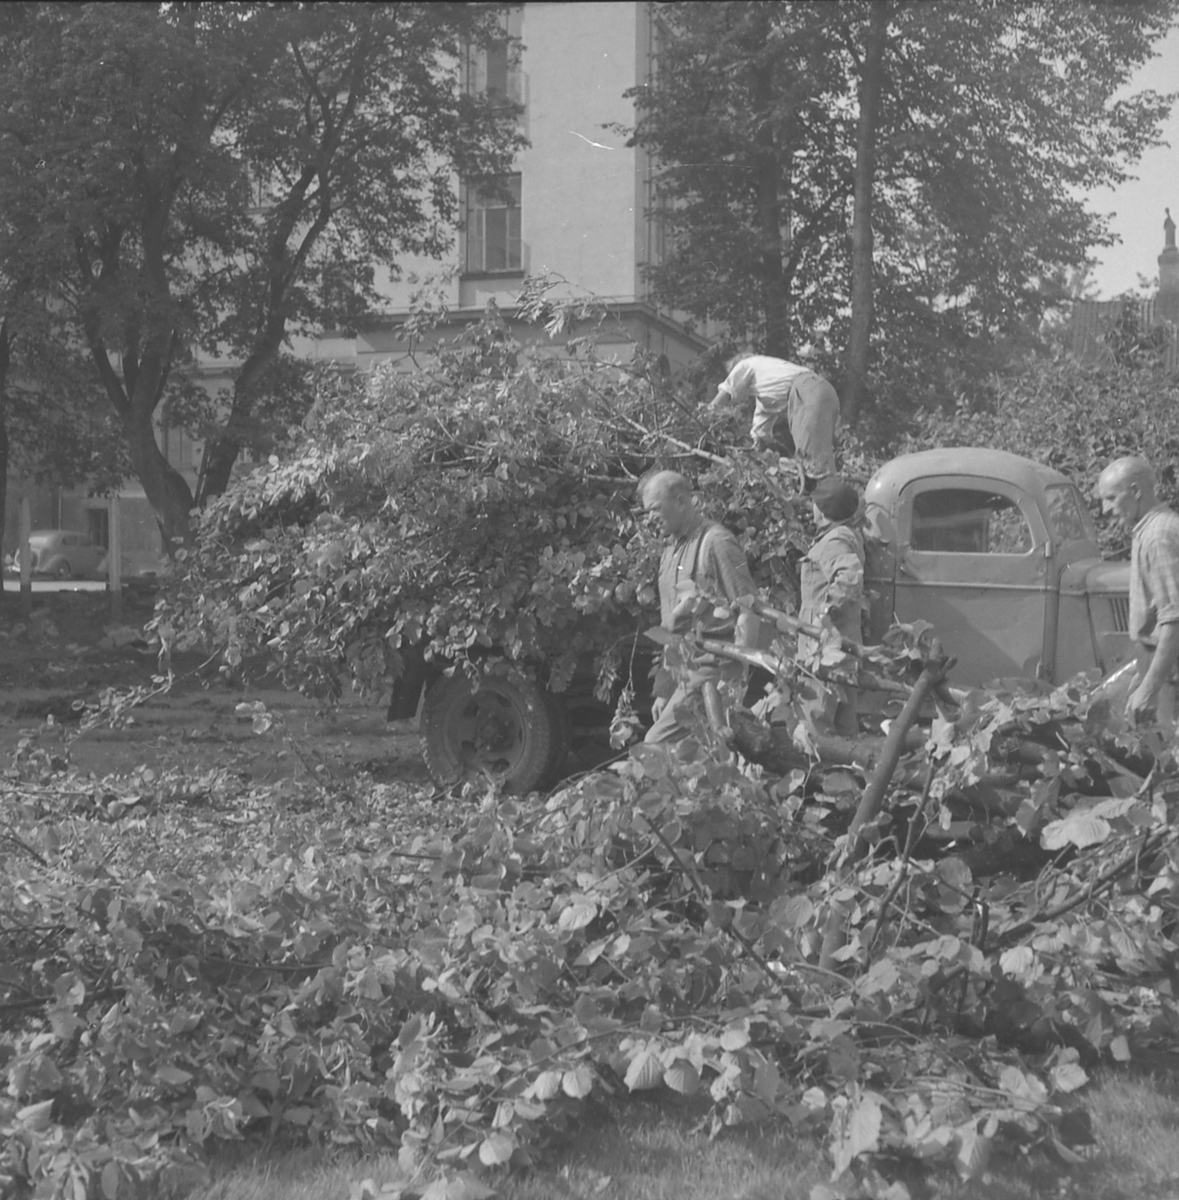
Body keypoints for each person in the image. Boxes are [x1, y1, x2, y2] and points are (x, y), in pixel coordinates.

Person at [638, 470, 758, 744]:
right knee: (700, 757)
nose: (650, 519)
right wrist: (665, 687)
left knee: (657, 745)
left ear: (681, 501)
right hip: (686, 672)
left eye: (655, 509)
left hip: (714, 670)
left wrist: (734, 684)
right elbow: (672, 628)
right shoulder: (670, 551)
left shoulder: (716, 542)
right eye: (646, 512)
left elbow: (748, 610)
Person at [1096, 456, 1179, 728]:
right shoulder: (1153, 529)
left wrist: (1150, 688)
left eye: (1110, 498)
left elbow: (1174, 620)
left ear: (1135, 491)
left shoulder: (1157, 537)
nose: (1105, 510)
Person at [798, 476, 865, 738]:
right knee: (844, 726)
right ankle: (848, 776)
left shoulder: (834, 541)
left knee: (816, 720)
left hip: (824, 649)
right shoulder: (844, 536)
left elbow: (850, 577)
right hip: (840, 645)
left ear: (824, 510)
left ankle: (823, 776)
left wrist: (825, 615)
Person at [709, 353, 840, 481]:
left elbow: (725, 392)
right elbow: (760, 437)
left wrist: (707, 414)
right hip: (826, 391)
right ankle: (835, 495)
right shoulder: (766, 397)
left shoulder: (747, 363)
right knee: (823, 459)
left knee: (811, 463)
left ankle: (825, 498)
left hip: (807, 392)